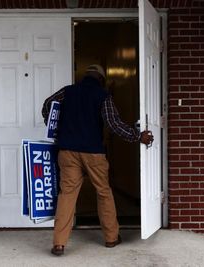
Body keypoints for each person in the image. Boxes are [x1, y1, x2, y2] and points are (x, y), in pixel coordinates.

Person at [42, 64, 154, 256]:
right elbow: (113, 124)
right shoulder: (103, 95)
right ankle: (111, 238)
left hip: (67, 151)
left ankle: (59, 243)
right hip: (93, 152)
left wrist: (56, 128)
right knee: (103, 191)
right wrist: (137, 136)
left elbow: (47, 106)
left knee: (67, 194)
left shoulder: (67, 92)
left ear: (85, 77)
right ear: (101, 80)